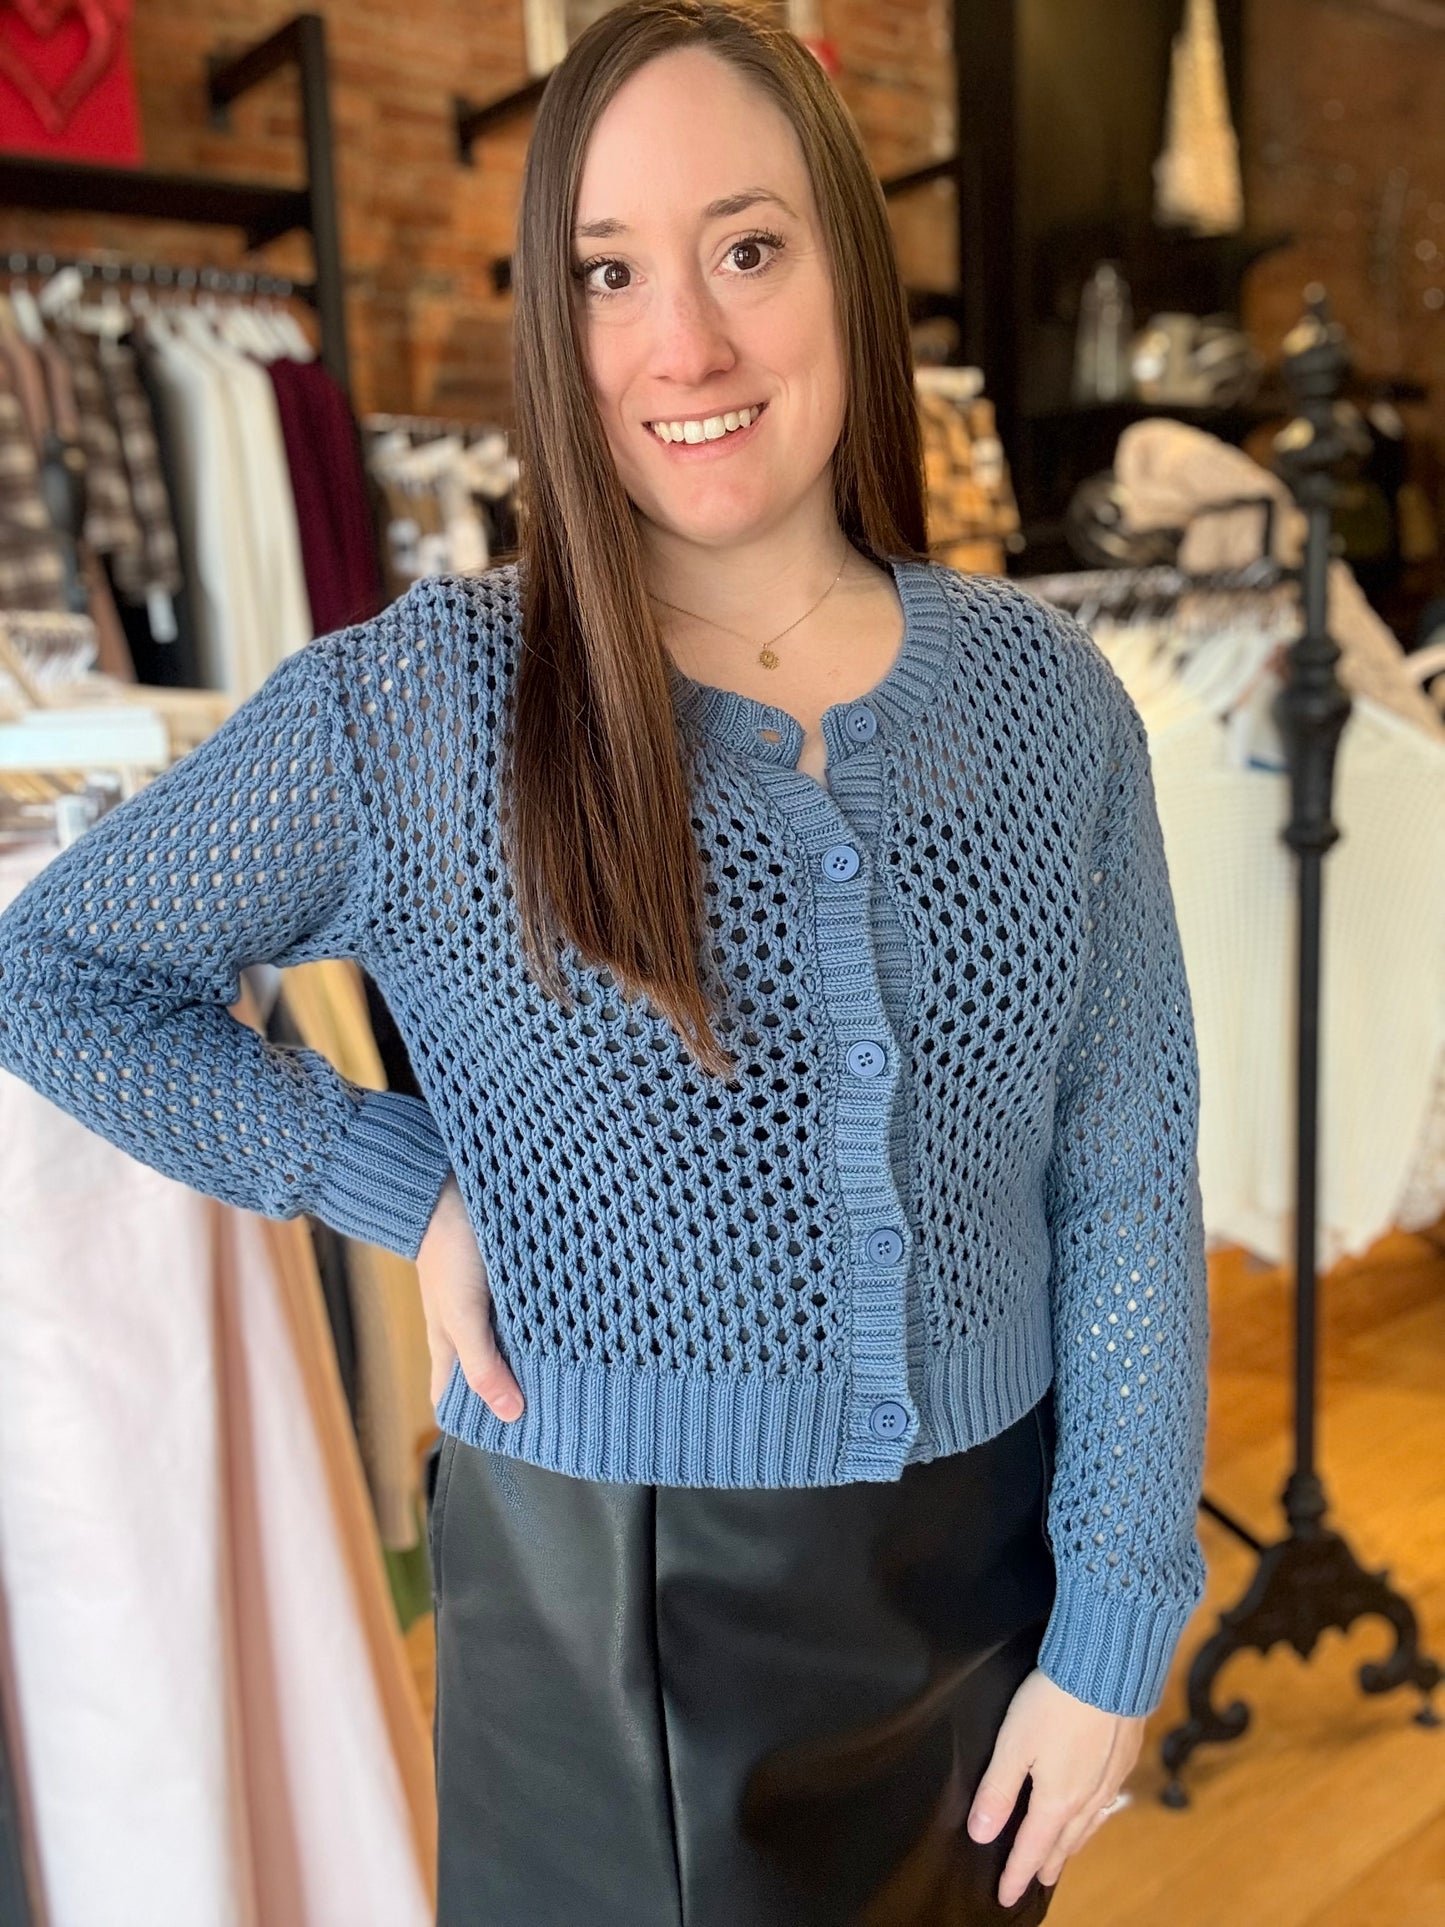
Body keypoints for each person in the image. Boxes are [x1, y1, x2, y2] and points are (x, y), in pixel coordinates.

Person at [0, 3, 1210, 1922]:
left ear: (842, 262)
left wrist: (1117, 1616)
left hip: (988, 1585)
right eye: (609, 274)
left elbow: (1127, 1165)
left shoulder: (1047, 703)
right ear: (552, 332)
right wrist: (402, 1185)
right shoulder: (418, 706)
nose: (686, 344)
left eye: (746, 248)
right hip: (618, 1619)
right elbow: (53, 972)